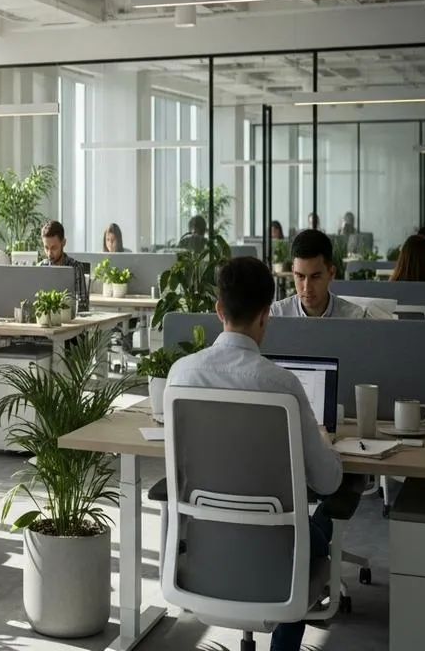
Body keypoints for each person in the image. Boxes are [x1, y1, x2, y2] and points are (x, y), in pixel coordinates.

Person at [167, 257, 343, 651]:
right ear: (266, 314)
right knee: (323, 525)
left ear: (218, 311)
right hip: (272, 559)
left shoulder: (181, 375)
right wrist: (324, 441)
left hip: (204, 549)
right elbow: (327, 480)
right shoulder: (281, 384)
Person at [271, 230, 367, 319]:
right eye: (300, 276)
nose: (307, 288)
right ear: (293, 272)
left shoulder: (355, 318)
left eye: (315, 277)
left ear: (331, 273)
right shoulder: (276, 315)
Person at [39, 220, 89, 312]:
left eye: (54, 248)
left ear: (63, 243)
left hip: (69, 320)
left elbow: (83, 306)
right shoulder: (40, 267)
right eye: (46, 248)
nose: (49, 253)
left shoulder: (76, 268)